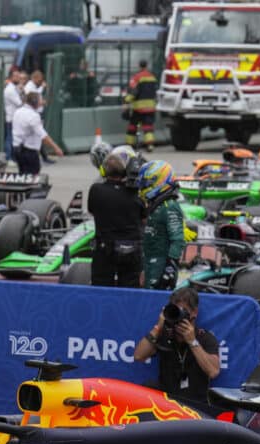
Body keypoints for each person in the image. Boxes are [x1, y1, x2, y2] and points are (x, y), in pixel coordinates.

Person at [133, 287, 221, 403]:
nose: (178, 314)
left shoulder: (205, 338)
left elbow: (213, 371)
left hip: (195, 405)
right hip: (166, 403)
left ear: (194, 313)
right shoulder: (164, 335)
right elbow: (138, 356)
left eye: (183, 310)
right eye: (176, 309)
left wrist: (192, 342)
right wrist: (158, 327)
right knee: (147, 386)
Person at [88, 154, 146, 287]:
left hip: (104, 250)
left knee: (101, 290)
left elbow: (92, 211)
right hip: (132, 251)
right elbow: (144, 220)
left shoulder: (96, 190)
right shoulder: (137, 194)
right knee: (130, 292)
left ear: (103, 171)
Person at [137, 160, 184, 289]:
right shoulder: (157, 206)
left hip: (162, 268)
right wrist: (145, 269)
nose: (142, 188)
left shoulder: (170, 206)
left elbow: (178, 240)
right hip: (151, 265)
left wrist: (169, 268)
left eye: (146, 184)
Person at [11, 91, 64, 174]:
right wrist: (56, 147)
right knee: (33, 174)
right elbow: (43, 136)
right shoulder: (33, 116)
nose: (42, 102)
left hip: (17, 149)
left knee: (22, 174)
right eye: (40, 100)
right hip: (29, 151)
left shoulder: (18, 111)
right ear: (35, 102)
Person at [124, 59, 158, 152]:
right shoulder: (152, 77)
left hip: (139, 107)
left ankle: (130, 146)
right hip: (151, 106)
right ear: (146, 66)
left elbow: (133, 92)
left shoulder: (136, 77)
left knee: (132, 126)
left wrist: (126, 101)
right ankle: (150, 145)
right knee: (148, 127)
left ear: (139, 66)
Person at [24, 70, 54, 163]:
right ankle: (42, 156)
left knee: (38, 135)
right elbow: (33, 98)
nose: (40, 81)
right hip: (33, 114)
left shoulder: (33, 86)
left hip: (38, 113)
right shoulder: (29, 86)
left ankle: (43, 156)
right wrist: (42, 88)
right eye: (39, 79)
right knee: (38, 134)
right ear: (35, 78)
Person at [3, 69, 25, 162]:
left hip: (15, 118)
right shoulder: (10, 90)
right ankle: (8, 158)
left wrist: (21, 91)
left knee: (12, 138)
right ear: (11, 77)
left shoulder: (14, 88)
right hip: (11, 118)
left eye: (19, 76)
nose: (19, 78)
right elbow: (20, 103)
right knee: (10, 138)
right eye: (16, 76)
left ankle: (12, 157)